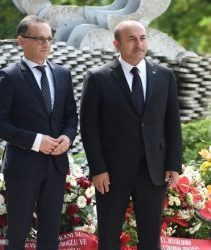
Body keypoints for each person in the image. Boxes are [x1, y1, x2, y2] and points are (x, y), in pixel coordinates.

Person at [80, 20, 182, 250]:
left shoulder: (165, 75)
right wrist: (98, 168)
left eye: (143, 38)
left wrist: (174, 164)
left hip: (153, 171)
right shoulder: (98, 78)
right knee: (108, 237)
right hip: (111, 174)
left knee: (150, 239)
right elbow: (89, 128)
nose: (139, 44)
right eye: (131, 39)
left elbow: (172, 124)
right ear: (116, 44)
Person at [0, 15, 78, 249]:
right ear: (21, 41)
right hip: (23, 167)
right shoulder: (8, 76)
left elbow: (71, 116)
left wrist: (67, 137)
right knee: (17, 234)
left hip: (55, 166)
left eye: (49, 39)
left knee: (50, 234)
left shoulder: (63, 74)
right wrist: (35, 141)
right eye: (39, 39)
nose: (46, 44)